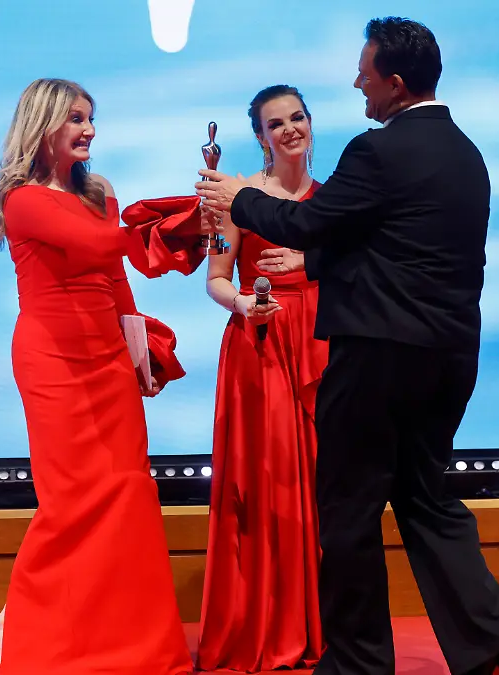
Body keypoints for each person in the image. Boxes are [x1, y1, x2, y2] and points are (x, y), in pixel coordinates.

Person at [196, 17, 499, 675]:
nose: (357, 82)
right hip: (451, 355)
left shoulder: (378, 150)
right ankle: (494, 639)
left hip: (378, 354)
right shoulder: (467, 154)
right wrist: (314, 267)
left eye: (365, 71)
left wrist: (237, 199)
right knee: (426, 495)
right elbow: (398, 245)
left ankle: (357, 660)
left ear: (396, 83)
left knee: (347, 506)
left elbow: (308, 220)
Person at [0, 78, 194, 674]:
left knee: (127, 496)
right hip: (53, 363)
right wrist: (179, 220)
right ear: (44, 125)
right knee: (72, 504)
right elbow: (98, 242)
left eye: (91, 118)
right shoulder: (22, 199)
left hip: (106, 358)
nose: (89, 129)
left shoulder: (99, 193)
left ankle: (136, 649)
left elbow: (115, 276)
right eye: (76, 118)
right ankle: (27, 636)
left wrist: (139, 356)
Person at [195, 84, 327, 672]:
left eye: (298, 117)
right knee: (268, 484)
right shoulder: (236, 198)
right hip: (263, 347)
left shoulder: (336, 200)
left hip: (325, 349)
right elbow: (217, 277)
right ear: (260, 136)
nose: (290, 129)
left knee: (324, 490)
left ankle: (315, 628)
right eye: (276, 123)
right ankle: (265, 628)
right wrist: (247, 305)